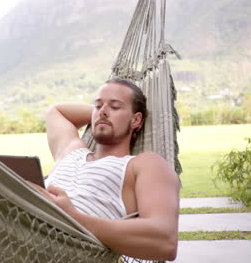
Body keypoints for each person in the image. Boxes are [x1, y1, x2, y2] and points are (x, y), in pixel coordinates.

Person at [34, 78, 180, 261]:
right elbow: (56, 112)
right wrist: (105, 115)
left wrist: (72, 216)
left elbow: (164, 241)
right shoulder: (71, 150)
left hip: (61, 248)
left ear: (136, 120)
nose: (103, 111)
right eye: (98, 105)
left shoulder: (144, 164)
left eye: (115, 107)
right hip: (15, 223)